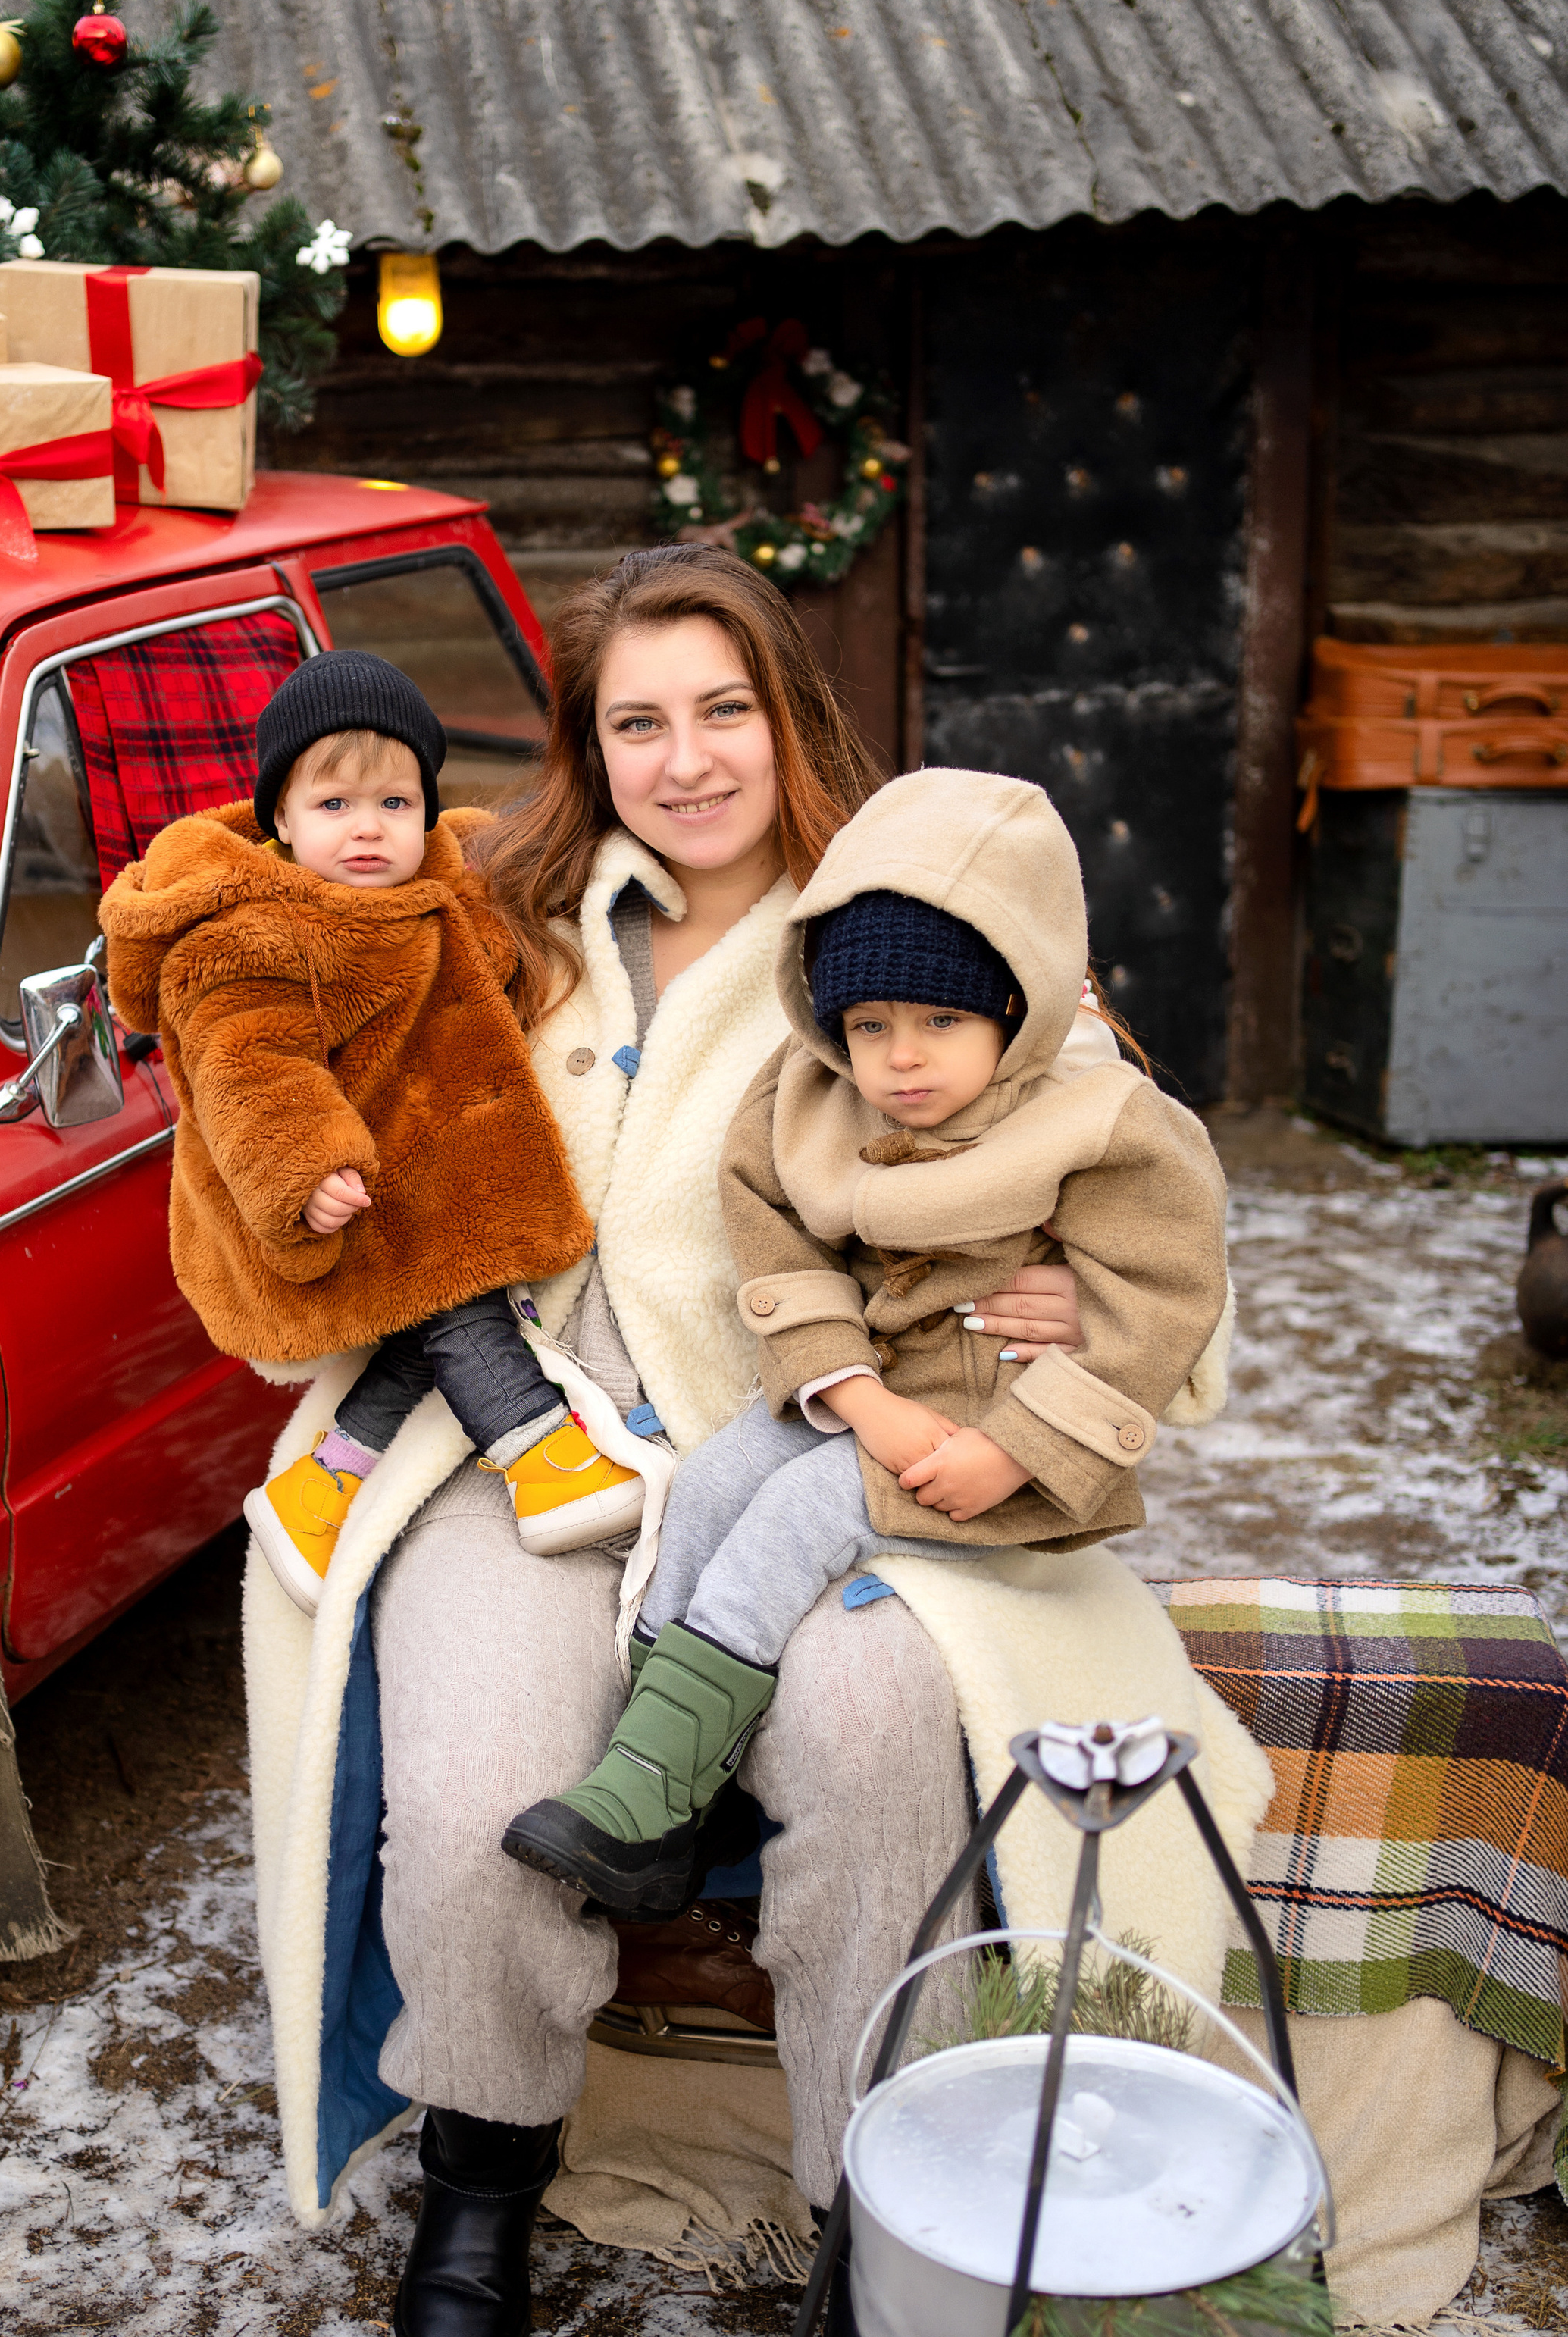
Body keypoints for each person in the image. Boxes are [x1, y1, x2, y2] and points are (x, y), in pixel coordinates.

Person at [308, 546, 1117, 2337]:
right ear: (587, 746)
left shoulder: (907, 924)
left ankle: (873, 2232)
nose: (684, 760)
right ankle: (483, 2166)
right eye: (635, 720)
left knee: (863, 1748)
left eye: (722, 710)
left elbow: (1110, 1143)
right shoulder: (494, 927)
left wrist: (1074, 1304)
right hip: (536, 1451)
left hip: (818, 1453)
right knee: (481, 1776)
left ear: (788, 715)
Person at [502, 765, 1231, 1913]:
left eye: (943, 1021)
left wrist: (1017, 1448)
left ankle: (660, 1792)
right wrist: (858, 1399)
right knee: (718, 1482)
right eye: (871, 1025)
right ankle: (661, 1781)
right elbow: (779, 1251)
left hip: (996, 1449)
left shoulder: (1098, 1123)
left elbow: (1161, 1296)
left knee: (791, 1518)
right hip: (869, 1404)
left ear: (1014, 1007)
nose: (902, 1059)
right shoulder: (809, 1098)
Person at [99, 647, 641, 1618]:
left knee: (427, 1318)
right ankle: (541, 1453)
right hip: (328, 1204)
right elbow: (248, 1067)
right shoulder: (256, 931)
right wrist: (305, 1171)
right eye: (334, 807)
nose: (367, 831)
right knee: (459, 1302)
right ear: (279, 820)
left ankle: (320, 1491)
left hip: (421, 1178)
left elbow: (506, 926)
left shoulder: (445, 881)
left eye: (394, 804)